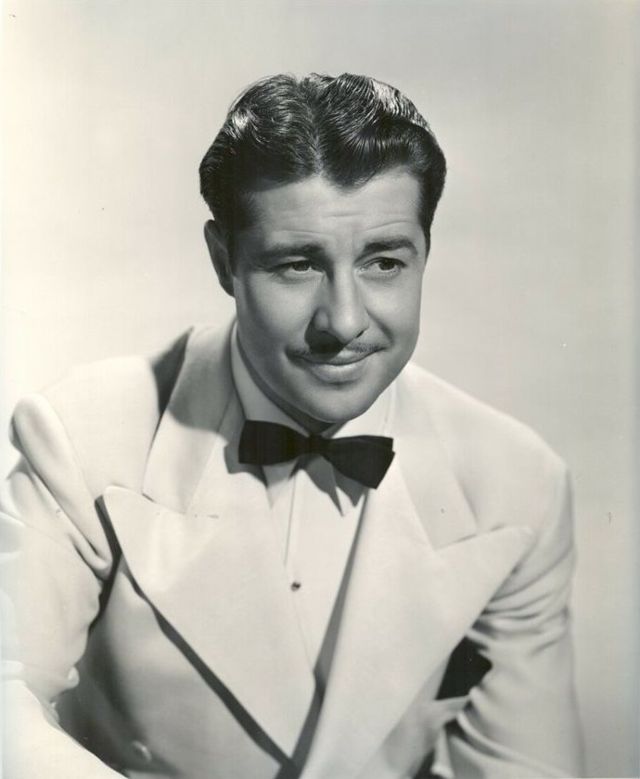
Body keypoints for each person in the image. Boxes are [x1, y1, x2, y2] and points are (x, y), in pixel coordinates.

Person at [0, 73, 584, 778]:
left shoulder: (519, 484)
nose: (344, 321)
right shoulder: (82, 437)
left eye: (384, 262)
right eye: (297, 265)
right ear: (225, 262)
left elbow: (524, 767)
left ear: (425, 254)